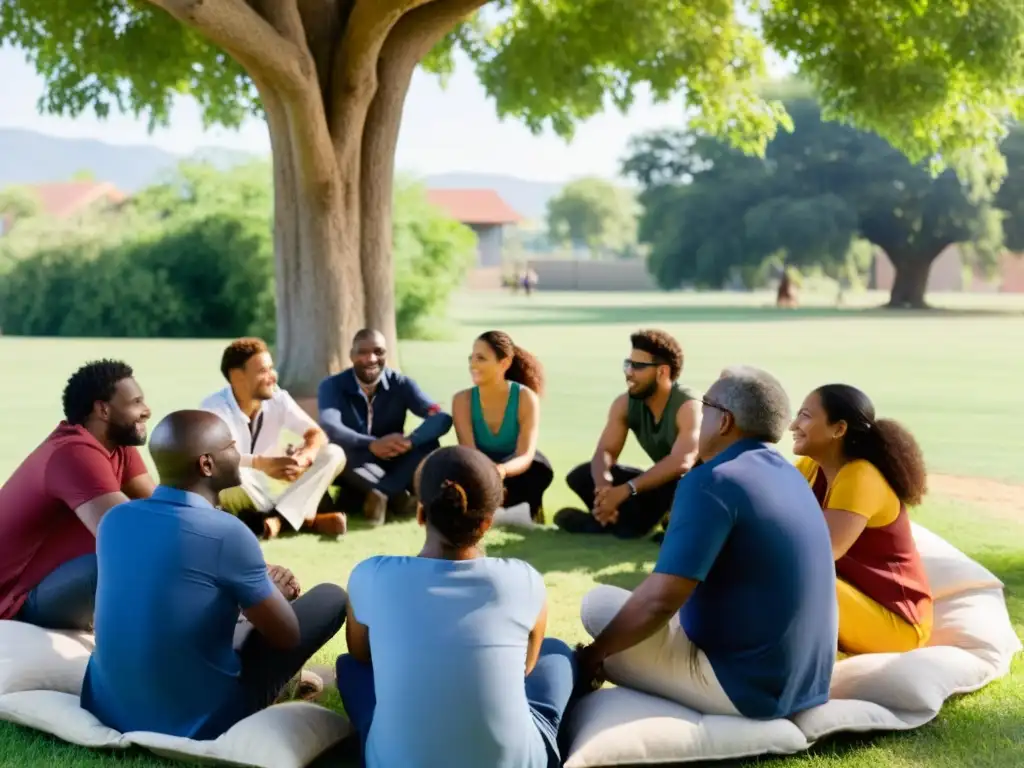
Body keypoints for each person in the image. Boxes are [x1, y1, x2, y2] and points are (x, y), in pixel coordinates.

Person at [576, 366, 837, 720]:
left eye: (706, 406)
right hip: (809, 684)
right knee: (632, 612)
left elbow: (660, 600)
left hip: (746, 690)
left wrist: (592, 658)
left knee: (599, 606)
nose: (701, 417)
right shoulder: (790, 475)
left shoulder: (712, 479)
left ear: (725, 421)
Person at [81, 410, 348, 739]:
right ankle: (277, 688)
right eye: (232, 447)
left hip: (106, 703)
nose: (239, 456)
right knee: (332, 597)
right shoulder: (227, 532)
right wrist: (272, 593)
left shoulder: (115, 520)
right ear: (206, 464)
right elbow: (286, 636)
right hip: (202, 715)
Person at [336, 445, 577, 768]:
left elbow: (362, 654)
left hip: (394, 762)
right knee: (556, 651)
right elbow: (526, 667)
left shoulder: (371, 575)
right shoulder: (524, 580)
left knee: (351, 667)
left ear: (421, 513)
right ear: (488, 522)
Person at [0, 360, 155, 631]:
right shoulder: (74, 453)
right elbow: (128, 535)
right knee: (133, 558)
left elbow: (159, 508)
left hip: (56, 582)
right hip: (16, 600)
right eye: (136, 402)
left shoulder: (116, 446)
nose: (146, 411)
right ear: (103, 409)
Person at [791, 384, 933, 655]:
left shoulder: (861, 476)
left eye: (806, 416)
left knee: (791, 575)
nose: (793, 425)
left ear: (839, 429)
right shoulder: (811, 467)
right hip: (854, 601)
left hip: (898, 625)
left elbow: (821, 554)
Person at [555, 330, 700, 540]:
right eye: (627, 364)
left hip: (700, 485)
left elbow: (682, 462)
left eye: (638, 366)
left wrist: (626, 490)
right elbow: (605, 450)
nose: (629, 372)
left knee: (679, 483)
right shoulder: (624, 404)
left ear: (662, 372)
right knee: (582, 475)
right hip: (662, 483)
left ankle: (612, 525)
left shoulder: (688, 405)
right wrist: (603, 486)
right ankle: (614, 520)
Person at [201, 338, 347, 540]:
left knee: (334, 453)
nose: (273, 377)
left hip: (276, 486)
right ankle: (305, 519)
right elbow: (218, 456)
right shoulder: (214, 407)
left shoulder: (279, 398)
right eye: (263, 371)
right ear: (237, 377)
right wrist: (262, 464)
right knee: (228, 473)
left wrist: (305, 456)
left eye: (272, 368)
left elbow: (316, 434)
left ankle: (277, 520)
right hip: (244, 487)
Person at [318, 329, 453, 526]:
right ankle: (397, 499)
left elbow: (441, 417)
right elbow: (331, 425)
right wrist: (372, 444)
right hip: (356, 458)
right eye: (363, 352)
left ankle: (381, 493)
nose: (371, 358)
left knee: (429, 443)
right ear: (352, 355)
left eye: (378, 351)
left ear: (386, 354)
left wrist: (410, 441)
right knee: (337, 451)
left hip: (394, 458)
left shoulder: (401, 383)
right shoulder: (332, 385)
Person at [452, 330, 553, 526]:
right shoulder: (462, 400)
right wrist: (487, 472)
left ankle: (514, 512)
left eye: (481, 358)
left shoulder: (525, 398)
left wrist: (501, 471)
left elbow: (525, 455)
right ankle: (492, 511)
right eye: (471, 358)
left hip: (514, 471)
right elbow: (470, 453)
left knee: (539, 468)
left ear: (504, 363)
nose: (473, 365)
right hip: (479, 469)